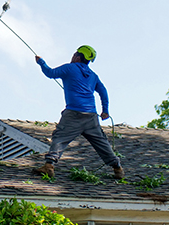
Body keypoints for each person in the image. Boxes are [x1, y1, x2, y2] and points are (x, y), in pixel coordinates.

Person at [32, 45, 124, 180]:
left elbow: (50, 73)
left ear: (77, 57)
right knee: (101, 142)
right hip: (91, 116)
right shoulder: (93, 76)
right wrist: (105, 110)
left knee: (59, 137)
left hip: (73, 114)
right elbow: (103, 91)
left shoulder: (70, 68)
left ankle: (49, 165)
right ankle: (117, 168)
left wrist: (41, 62)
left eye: (74, 54)